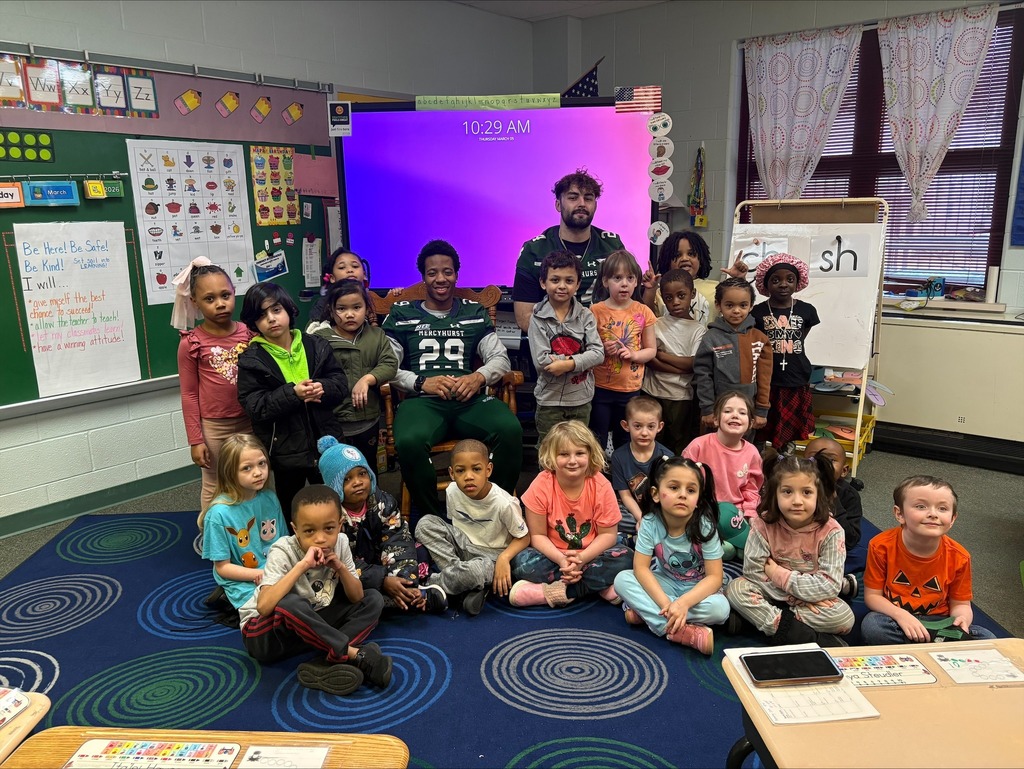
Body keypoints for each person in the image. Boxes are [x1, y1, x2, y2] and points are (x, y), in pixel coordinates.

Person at [381, 239, 523, 522]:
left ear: (456, 274)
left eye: (447, 271)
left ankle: (496, 507)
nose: (440, 278)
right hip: (424, 401)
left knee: (510, 429)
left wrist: (478, 377)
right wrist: (421, 382)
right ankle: (432, 519)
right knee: (408, 441)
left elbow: (500, 358)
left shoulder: (473, 312)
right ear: (423, 277)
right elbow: (387, 366)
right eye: (432, 272)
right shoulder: (402, 315)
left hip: (469, 398)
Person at [238, 484, 392, 696]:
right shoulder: (282, 550)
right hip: (264, 635)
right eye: (309, 531)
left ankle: (326, 662)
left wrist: (339, 567)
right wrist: (302, 566)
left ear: (340, 525)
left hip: (308, 626)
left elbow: (357, 597)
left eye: (328, 528)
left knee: (373, 598)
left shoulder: (341, 543)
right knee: (289, 602)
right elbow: (264, 607)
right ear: (295, 530)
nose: (320, 538)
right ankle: (351, 653)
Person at [237, 282, 349, 515]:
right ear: (254, 322)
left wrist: (323, 388)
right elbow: (255, 406)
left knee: (334, 501)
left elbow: (339, 383)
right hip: (285, 450)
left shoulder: (316, 345)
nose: (271, 319)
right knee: (290, 507)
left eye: (276, 310)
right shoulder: (252, 360)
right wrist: (293, 394)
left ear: (288, 309)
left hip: (326, 441)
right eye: (261, 315)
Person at [725, 454, 854, 647]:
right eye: (787, 492)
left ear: (818, 494)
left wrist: (780, 575)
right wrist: (794, 596)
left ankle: (760, 623)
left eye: (806, 492)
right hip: (775, 591)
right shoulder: (763, 523)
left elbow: (829, 586)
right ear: (774, 494)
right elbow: (752, 571)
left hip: (806, 596)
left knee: (844, 618)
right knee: (735, 589)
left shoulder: (832, 531)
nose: (797, 501)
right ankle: (802, 635)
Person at [509, 420, 632, 608]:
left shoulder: (601, 485)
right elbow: (538, 536)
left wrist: (581, 560)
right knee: (520, 563)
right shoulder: (541, 484)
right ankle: (598, 585)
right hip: (554, 557)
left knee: (627, 557)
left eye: (580, 453)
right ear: (551, 456)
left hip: (591, 555)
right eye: (564, 454)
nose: (572, 460)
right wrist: (562, 560)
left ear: (590, 454)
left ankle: (557, 592)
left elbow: (608, 535)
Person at [613, 456, 729, 655]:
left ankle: (648, 612)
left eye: (690, 490)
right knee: (622, 580)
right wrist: (668, 605)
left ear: (699, 500)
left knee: (721, 609)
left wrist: (683, 603)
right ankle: (677, 629)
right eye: (674, 488)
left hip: (697, 589)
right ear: (656, 494)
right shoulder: (650, 522)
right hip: (665, 582)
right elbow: (640, 569)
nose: (682, 495)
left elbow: (715, 578)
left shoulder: (705, 525)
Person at [317, 437, 447, 614]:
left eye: (362, 474)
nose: (357, 482)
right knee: (343, 588)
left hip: (383, 558)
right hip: (353, 572)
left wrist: (402, 578)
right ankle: (412, 598)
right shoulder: (329, 518)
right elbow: (340, 562)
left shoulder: (383, 502)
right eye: (347, 479)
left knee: (420, 550)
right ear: (334, 487)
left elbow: (398, 539)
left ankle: (407, 591)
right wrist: (383, 580)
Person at [861, 476, 996, 644]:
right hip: (896, 619)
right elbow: (873, 596)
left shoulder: (959, 556)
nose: (933, 514)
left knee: (988, 638)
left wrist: (962, 620)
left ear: (953, 519)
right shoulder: (881, 546)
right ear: (899, 514)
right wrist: (901, 615)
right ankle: (931, 650)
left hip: (939, 622)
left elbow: (961, 603)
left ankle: (922, 648)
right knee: (873, 625)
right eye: (921, 506)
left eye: (942, 508)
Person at [172, 257, 254, 520]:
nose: (220, 304)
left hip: (249, 422)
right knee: (214, 483)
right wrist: (196, 440)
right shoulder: (191, 343)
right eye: (209, 299)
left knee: (253, 476)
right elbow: (189, 393)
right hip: (214, 427)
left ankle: (251, 530)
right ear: (194, 303)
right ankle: (212, 534)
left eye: (226, 295)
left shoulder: (249, 335)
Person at [415, 439, 531, 615]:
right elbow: (455, 526)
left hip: (492, 558)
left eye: (476, 469)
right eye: (461, 471)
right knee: (424, 524)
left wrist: (504, 558)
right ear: (452, 473)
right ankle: (461, 583)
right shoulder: (452, 491)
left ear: (488, 470)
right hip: (463, 547)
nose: (468, 477)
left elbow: (524, 537)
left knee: (475, 572)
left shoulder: (504, 503)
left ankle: (429, 585)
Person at [512, 169, 625, 332]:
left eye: (588, 198)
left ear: (595, 205)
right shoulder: (534, 250)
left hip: (605, 338)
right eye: (573, 198)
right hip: (553, 345)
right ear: (558, 204)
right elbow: (524, 318)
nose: (581, 204)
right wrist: (570, 337)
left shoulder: (612, 245)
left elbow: (629, 305)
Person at [310, 279, 398, 462]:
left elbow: (390, 363)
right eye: (341, 309)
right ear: (331, 311)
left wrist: (368, 378)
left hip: (368, 419)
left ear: (367, 308)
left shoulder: (376, 335)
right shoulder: (319, 339)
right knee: (336, 470)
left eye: (356, 307)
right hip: (333, 421)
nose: (350, 314)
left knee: (368, 467)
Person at [201, 434, 287, 613]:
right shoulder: (218, 514)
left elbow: (283, 542)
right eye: (247, 468)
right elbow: (222, 567)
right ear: (229, 472)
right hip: (246, 579)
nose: (257, 472)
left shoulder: (269, 498)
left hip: (276, 570)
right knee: (281, 609)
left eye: (261, 464)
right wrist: (259, 574)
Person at [527, 251, 605, 447]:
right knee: (549, 450)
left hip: (581, 399)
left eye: (569, 280)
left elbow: (598, 353)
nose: (562, 286)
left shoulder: (586, 316)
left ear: (578, 284)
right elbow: (542, 361)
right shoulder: (537, 318)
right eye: (555, 280)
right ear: (543, 283)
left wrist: (568, 364)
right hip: (549, 401)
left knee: (578, 449)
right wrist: (581, 360)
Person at [750, 253, 820, 450]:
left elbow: (801, 337)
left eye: (789, 279)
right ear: (766, 284)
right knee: (762, 427)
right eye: (776, 280)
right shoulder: (757, 312)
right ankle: (758, 460)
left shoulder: (807, 310)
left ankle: (784, 460)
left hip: (796, 377)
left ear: (798, 283)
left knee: (789, 429)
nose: (783, 284)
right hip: (767, 380)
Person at [589, 250, 658, 451]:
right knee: (597, 437)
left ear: (637, 282)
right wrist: (602, 349)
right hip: (600, 389)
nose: (624, 283)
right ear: (605, 281)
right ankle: (598, 477)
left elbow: (651, 350)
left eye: (630, 278)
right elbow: (588, 349)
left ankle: (622, 476)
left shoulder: (643, 311)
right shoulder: (595, 311)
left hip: (630, 390)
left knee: (625, 440)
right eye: (617, 278)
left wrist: (634, 355)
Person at [683, 392, 763, 560]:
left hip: (735, 514)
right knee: (725, 551)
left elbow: (751, 489)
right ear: (716, 419)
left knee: (747, 551)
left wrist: (750, 514)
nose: (735, 415)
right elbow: (682, 480)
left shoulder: (752, 453)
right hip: (702, 511)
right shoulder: (698, 445)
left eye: (742, 413)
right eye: (728, 411)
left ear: (751, 423)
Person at [693, 277, 772, 434]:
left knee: (742, 450)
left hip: (747, 411)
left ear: (751, 306)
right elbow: (703, 376)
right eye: (729, 305)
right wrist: (707, 409)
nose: (736, 311)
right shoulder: (711, 337)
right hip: (717, 410)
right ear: (718, 305)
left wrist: (761, 410)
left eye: (743, 305)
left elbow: (765, 378)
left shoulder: (760, 338)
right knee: (713, 451)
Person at [641, 269, 705, 454]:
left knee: (678, 443)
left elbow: (692, 364)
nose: (675, 302)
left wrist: (662, 356)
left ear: (692, 294)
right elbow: (650, 360)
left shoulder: (698, 330)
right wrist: (679, 366)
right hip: (653, 392)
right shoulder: (658, 323)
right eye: (669, 298)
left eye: (681, 296)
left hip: (680, 397)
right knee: (651, 441)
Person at [804, 436, 863, 594]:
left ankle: (833, 581)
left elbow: (850, 540)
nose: (821, 464)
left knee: (865, 555)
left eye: (830, 460)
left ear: (844, 470)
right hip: (797, 544)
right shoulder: (793, 486)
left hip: (830, 546)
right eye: (813, 458)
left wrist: (833, 500)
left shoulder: (848, 495)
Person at [610, 395, 673, 545]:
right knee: (612, 514)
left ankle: (642, 535)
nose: (644, 432)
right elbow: (625, 496)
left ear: (659, 426)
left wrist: (651, 517)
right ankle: (644, 533)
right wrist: (641, 518)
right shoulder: (619, 456)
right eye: (637, 426)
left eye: (650, 426)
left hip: (659, 509)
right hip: (632, 511)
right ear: (626, 426)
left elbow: (669, 494)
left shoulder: (667, 457)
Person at [306, 248, 370, 329]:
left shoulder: (370, 300)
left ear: (364, 275)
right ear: (332, 278)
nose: (350, 270)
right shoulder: (323, 303)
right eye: (342, 267)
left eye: (355, 266)